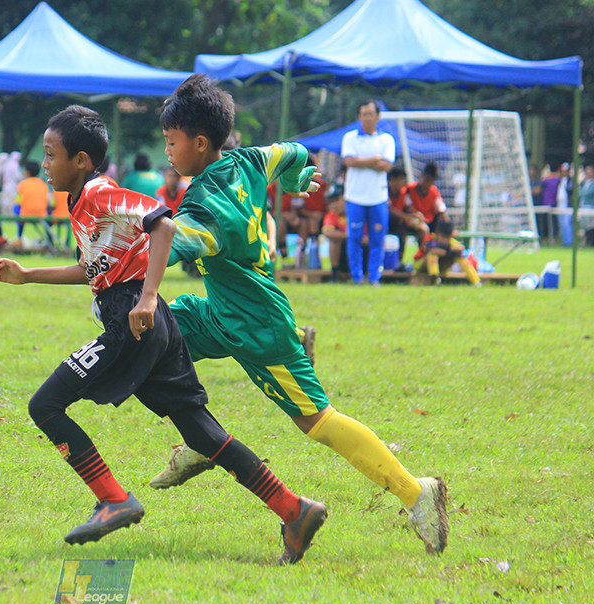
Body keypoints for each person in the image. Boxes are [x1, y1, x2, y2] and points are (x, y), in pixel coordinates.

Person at [0, 104, 325, 564]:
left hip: (135, 322)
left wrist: (147, 297)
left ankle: (113, 499)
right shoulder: (81, 202)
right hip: (153, 323)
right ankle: (294, 509)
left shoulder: (101, 194)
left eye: (50, 155)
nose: (44, 165)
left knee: (44, 405)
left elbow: (163, 223)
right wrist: (28, 275)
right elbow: (94, 270)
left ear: (82, 161)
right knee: (204, 435)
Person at [150, 74, 448, 557]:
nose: (166, 150)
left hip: (257, 325)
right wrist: (292, 179)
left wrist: (131, 235)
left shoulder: (203, 205)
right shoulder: (245, 160)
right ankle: (200, 440)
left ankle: (417, 493)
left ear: (199, 143)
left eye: (171, 142)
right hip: (221, 311)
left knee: (318, 422)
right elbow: (291, 153)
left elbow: (180, 240)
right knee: (150, 335)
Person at [341, 101, 394, 285]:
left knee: (377, 239)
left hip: (378, 198)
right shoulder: (350, 138)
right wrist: (375, 159)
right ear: (359, 116)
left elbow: (386, 166)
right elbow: (349, 161)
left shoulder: (387, 139)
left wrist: (361, 160)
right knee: (354, 238)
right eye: (364, 114)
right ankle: (356, 276)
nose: (368, 117)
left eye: (371, 113)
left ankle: (374, 278)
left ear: (377, 116)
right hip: (355, 197)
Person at [413, 219, 481, 286]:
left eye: (447, 237)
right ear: (437, 234)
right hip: (421, 265)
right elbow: (430, 249)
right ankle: (434, 278)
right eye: (443, 237)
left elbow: (461, 248)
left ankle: (476, 281)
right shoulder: (430, 239)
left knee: (460, 257)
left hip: (442, 267)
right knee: (432, 255)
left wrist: (447, 251)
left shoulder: (451, 242)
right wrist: (449, 250)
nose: (445, 240)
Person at [387, 166, 428, 259]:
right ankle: (397, 260)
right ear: (392, 180)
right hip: (388, 223)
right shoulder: (384, 192)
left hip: (402, 223)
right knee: (400, 228)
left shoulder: (404, 192)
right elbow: (389, 209)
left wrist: (416, 214)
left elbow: (409, 207)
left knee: (423, 229)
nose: (403, 183)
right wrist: (406, 217)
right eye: (401, 180)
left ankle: (422, 258)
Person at [15, 160, 57, 248]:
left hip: (25, 214)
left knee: (16, 209)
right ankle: (50, 241)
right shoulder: (42, 184)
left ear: (26, 172)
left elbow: (19, 201)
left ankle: (19, 236)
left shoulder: (23, 184)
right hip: (42, 214)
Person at [321, 186, 350, 283]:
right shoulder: (332, 215)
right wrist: (350, 236)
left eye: (337, 200)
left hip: (361, 252)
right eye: (331, 202)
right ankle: (335, 274)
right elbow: (327, 232)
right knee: (335, 240)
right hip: (343, 253)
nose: (334, 205)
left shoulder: (357, 213)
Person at [555, 162, 573, 246]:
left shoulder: (570, 181)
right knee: (561, 224)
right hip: (560, 205)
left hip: (567, 205)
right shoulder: (559, 181)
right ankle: (563, 240)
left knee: (567, 223)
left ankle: (568, 241)